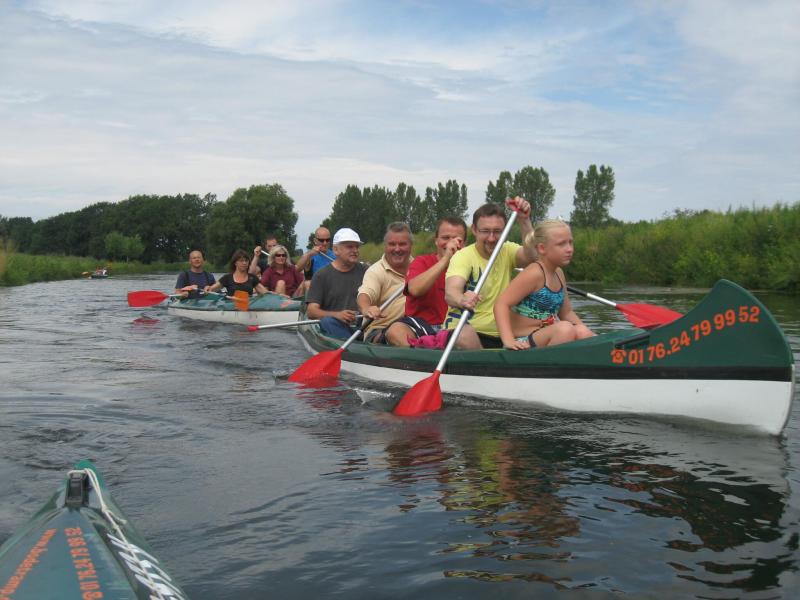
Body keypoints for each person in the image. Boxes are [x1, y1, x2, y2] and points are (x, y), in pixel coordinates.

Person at [444, 197, 534, 349]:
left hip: (502, 334)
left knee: (546, 327)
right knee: (465, 335)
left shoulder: (508, 250)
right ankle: (485, 362)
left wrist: (524, 220)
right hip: (464, 332)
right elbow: (451, 292)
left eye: (497, 232)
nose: (492, 238)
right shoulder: (463, 256)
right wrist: (462, 300)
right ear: (474, 230)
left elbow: (533, 256)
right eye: (485, 231)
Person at [495, 220, 594, 349]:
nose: (569, 249)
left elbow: (566, 313)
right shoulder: (534, 273)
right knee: (565, 329)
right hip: (522, 342)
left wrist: (593, 336)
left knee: (583, 332)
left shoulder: (559, 273)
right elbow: (501, 304)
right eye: (561, 244)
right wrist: (508, 340)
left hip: (547, 337)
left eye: (570, 242)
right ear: (542, 248)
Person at [388, 217, 467, 347]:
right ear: (436, 240)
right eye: (445, 238)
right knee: (395, 330)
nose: (450, 243)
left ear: (464, 244)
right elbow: (415, 290)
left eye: (456, 239)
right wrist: (445, 260)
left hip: (454, 328)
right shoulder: (421, 261)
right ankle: (418, 356)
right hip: (422, 327)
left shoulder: (470, 266)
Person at [305, 228, 368, 339]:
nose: (355, 250)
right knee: (327, 321)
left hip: (363, 325)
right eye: (350, 247)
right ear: (335, 250)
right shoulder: (321, 275)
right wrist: (337, 315)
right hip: (336, 326)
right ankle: (352, 344)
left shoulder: (367, 271)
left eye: (357, 247)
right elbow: (311, 312)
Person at [357, 222, 413, 344]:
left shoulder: (420, 268)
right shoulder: (375, 271)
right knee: (397, 331)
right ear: (385, 246)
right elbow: (365, 294)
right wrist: (366, 308)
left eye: (402, 244)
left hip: (415, 326)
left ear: (411, 245)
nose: (397, 249)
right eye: (392, 244)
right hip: (379, 330)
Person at [295, 226, 335, 295]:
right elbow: (296, 270)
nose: (325, 243)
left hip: (332, 289)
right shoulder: (309, 256)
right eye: (321, 240)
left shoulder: (335, 255)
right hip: (315, 291)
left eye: (327, 240)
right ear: (315, 241)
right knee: (307, 283)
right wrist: (309, 254)